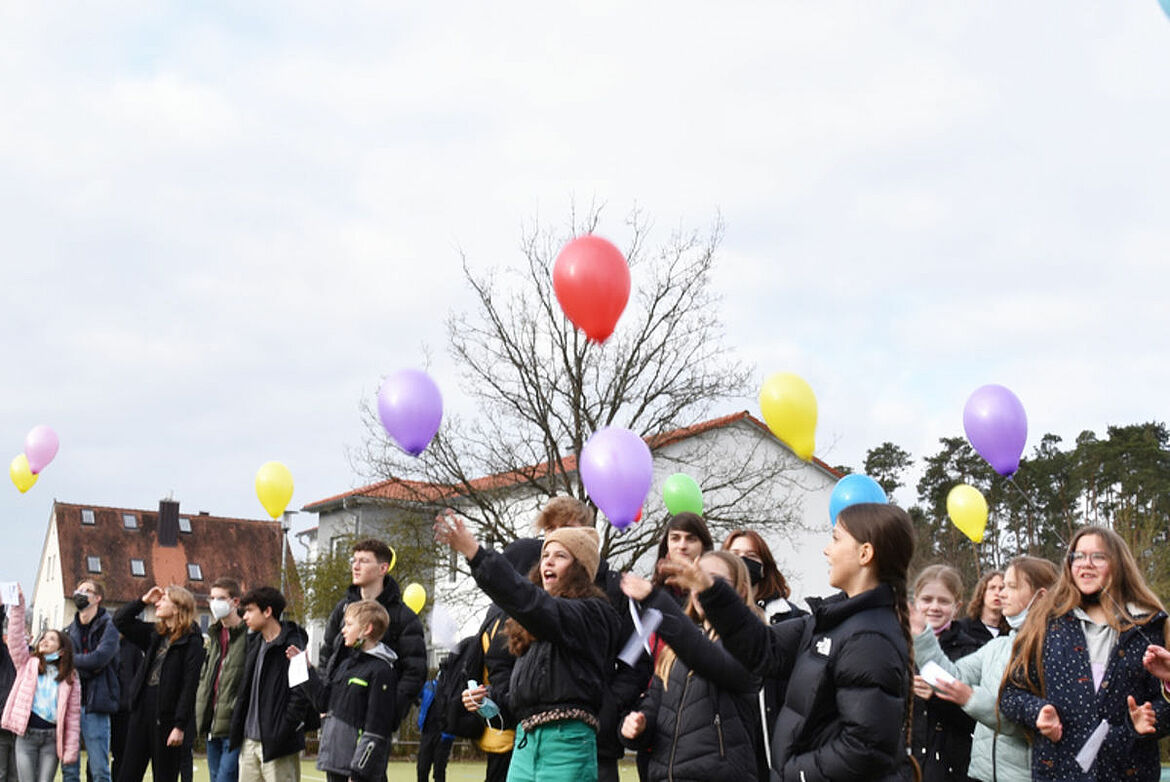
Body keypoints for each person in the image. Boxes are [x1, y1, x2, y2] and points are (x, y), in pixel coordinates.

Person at [661, 502, 918, 781]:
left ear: (865, 553)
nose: (826, 550)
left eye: (835, 539)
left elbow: (864, 748)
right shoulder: (828, 621)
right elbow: (763, 647)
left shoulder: (870, 639)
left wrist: (794, 773)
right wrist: (713, 592)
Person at [436, 515, 621, 782]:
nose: (548, 560)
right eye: (545, 554)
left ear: (581, 569)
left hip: (567, 744)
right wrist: (486, 700)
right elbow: (518, 702)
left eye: (561, 555)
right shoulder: (533, 629)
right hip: (524, 745)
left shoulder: (592, 614)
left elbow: (530, 602)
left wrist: (476, 554)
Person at [1000, 526, 1170, 781]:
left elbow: (1164, 706)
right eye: (1077, 556)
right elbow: (1010, 694)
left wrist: (1144, 721)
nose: (1085, 564)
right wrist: (1037, 711)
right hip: (1059, 772)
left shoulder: (1151, 625)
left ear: (1119, 563)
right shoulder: (1046, 622)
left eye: (1098, 557)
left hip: (1129, 772)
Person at [619, 551, 764, 781]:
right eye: (695, 579)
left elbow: (704, 656)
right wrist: (636, 728)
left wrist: (654, 599)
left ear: (741, 590)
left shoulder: (750, 646)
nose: (701, 587)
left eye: (713, 580)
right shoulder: (672, 653)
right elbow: (653, 707)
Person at [911, 555, 1057, 782]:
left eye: (1012, 586)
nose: (1002, 594)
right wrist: (921, 635)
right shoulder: (997, 646)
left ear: (1040, 597)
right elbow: (952, 677)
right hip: (981, 775)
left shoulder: (1054, 650)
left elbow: (1030, 724)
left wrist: (971, 698)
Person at [320, 539, 426, 729]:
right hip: (336, 714)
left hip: (374, 721)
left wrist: (389, 713)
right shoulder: (342, 610)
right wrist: (323, 700)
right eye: (354, 560)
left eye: (364, 561)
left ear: (383, 568)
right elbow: (326, 656)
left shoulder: (403, 617)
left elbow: (414, 673)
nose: (356, 566)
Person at [114, 585, 203, 782]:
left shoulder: (192, 642)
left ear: (178, 607)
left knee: (164, 776)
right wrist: (142, 601)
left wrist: (180, 726)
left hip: (167, 719)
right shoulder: (155, 634)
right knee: (127, 775)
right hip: (141, 713)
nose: (158, 603)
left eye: (164, 600)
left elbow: (189, 687)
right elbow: (120, 621)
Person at [303, 599, 397, 782]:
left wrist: (358, 771)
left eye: (349, 624)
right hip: (336, 763)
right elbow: (323, 702)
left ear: (367, 629)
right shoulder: (346, 665)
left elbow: (376, 729)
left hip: (357, 772)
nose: (343, 630)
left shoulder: (381, 671)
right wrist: (306, 670)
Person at [229, 586, 313, 782]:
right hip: (249, 743)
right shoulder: (254, 643)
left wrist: (283, 731)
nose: (245, 616)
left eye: (250, 610)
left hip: (278, 745)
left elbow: (301, 695)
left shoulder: (293, 646)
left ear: (267, 612)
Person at [908, 565, 980, 782]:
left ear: (957, 607)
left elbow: (977, 718)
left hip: (950, 767)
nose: (934, 607)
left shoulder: (971, 652)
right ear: (916, 601)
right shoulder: (895, 645)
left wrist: (936, 696)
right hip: (904, 763)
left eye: (944, 601)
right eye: (927, 599)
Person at [1, 586, 81, 782]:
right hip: (26, 736)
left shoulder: (70, 677)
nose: (45, 640)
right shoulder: (26, 664)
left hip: (51, 739)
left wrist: (70, 748)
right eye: (43, 637)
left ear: (62, 650)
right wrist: (18, 604)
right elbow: (15, 637)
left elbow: (73, 715)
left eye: (51, 639)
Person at [61, 579, 119, 782]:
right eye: (79, 589)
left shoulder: (109, 628)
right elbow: (65, 664)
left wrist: (72, 661)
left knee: (99, 770)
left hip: (96, 703)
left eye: (87, 590)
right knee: (69, 769)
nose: (81, 593)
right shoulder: (68, 631)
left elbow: (100, 659)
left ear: (98, 598)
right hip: (70, 704)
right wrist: (85, 664)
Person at [195, 578, 248, 782]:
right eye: (212, 598)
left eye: (221, 598)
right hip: (212, 725)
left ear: (235, 601)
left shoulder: (247, 636)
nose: (215, 602)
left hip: (234, 726)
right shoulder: (215, 637)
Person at [415, 645, 459, 782]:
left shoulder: (454, 689)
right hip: (428, 732)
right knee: (422, 767)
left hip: (444, 734)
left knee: (439, 770)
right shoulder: (429, 686)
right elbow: (415, 690)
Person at [110, 636, 143, 781]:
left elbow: (139, 676)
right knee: (97, 756)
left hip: (125, 709)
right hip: (105, 707)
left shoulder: (133, 647)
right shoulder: (105, 644)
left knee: (122, 756)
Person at [957, 571, 1008, 644]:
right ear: (982, 593)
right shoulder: (963, 629)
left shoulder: (1012, 634)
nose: (997, 593)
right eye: (992, 588)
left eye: (1002, 588)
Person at [0, 605, 19, 782]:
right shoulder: (3, 656)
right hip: (2, 726)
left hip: (22, 729)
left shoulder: (30, 661)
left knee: (16, 777)